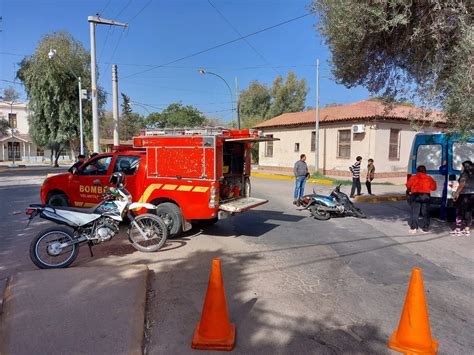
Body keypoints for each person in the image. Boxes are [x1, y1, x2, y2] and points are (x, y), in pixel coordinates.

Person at [406, 165, 437, 234]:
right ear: (425, 171)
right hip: (425, 196)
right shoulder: (429, 178)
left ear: (417, 170)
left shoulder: (413, 177)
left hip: (415, 196)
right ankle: (425, 228)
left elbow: (408, 185)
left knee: (415, 212)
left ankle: (414, 228)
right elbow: (434, 188)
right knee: (425, 212)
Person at [451, 161, 474, 236]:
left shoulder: (464, 174)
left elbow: (461, 185)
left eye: (462, 166)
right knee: (469, 211)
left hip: (464, 195)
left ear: (465, 167)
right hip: (472, 195)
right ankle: (467, 229)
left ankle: (458, 229)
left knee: (459, 211)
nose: (461, 168)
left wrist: (456, 194)